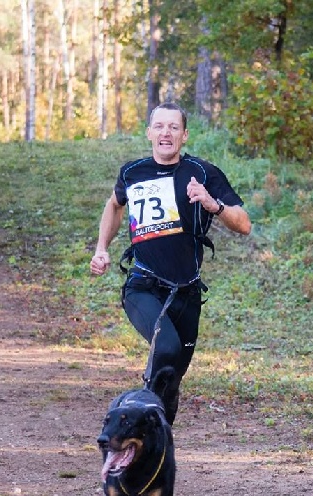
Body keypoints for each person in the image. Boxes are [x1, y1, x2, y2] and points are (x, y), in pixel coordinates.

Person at [90, 102, 251, 424]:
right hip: (144, 285)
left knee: (172, 379)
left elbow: (244, 224)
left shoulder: (204, 173)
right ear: (149, 132)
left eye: (174, 127)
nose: (166, 133)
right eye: (160, 126)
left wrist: (212, 204)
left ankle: (157, 441)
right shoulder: (132, 172)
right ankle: (137, 417)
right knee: (166, 347)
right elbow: (114, 205)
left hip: (187, 292)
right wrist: (101, 248)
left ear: (184, 135)